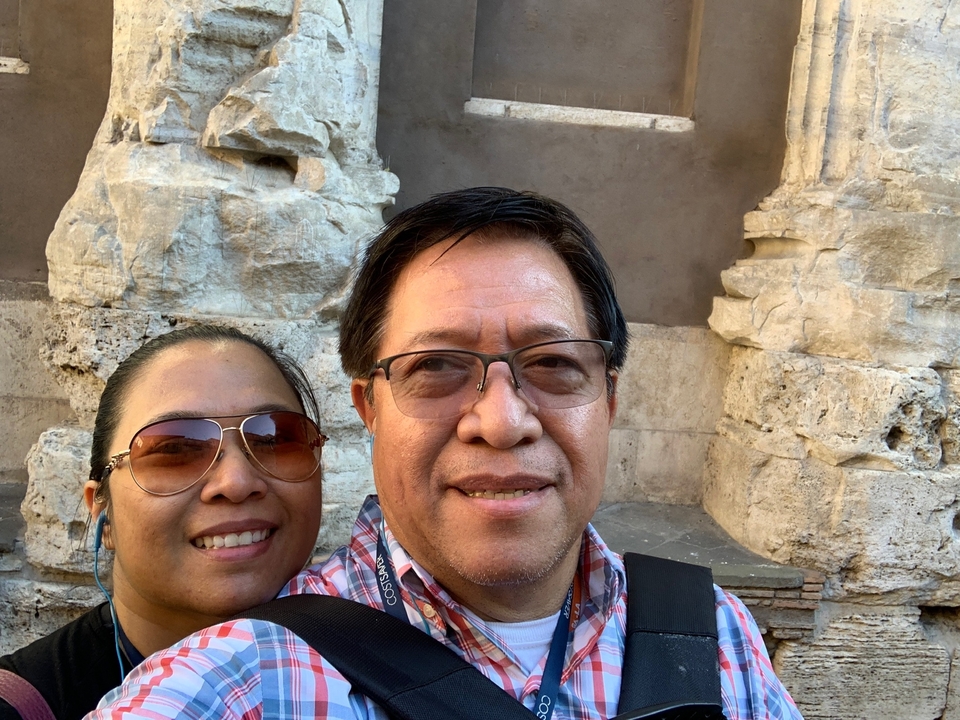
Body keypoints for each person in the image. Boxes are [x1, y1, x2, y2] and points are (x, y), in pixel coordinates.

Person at [90, 188, 802, 719]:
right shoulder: (245, 684)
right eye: (436, 367)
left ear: (608, 401)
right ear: (369, 407)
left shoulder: (716, 637)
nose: (501, 422)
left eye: (554, 363)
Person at [0, 324, 327, 720]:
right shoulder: (21, 706)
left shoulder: (385, 651)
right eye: (174, 449)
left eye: (275, 439)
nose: (237, 482)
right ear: (104, 515)